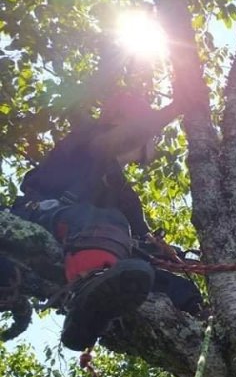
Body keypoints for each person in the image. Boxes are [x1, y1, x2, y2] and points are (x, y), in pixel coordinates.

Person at [11, 90, 202, 351]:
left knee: (163, 281)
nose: (153, 139)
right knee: (108, 223)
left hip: (92, 243)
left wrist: (177, 257)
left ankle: (200, 322)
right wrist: (175, 107)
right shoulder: (87, 138)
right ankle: (87, 292)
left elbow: (143, 241)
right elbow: (112, 144)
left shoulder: (124, 195)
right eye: (152, 132)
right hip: (44, 216)